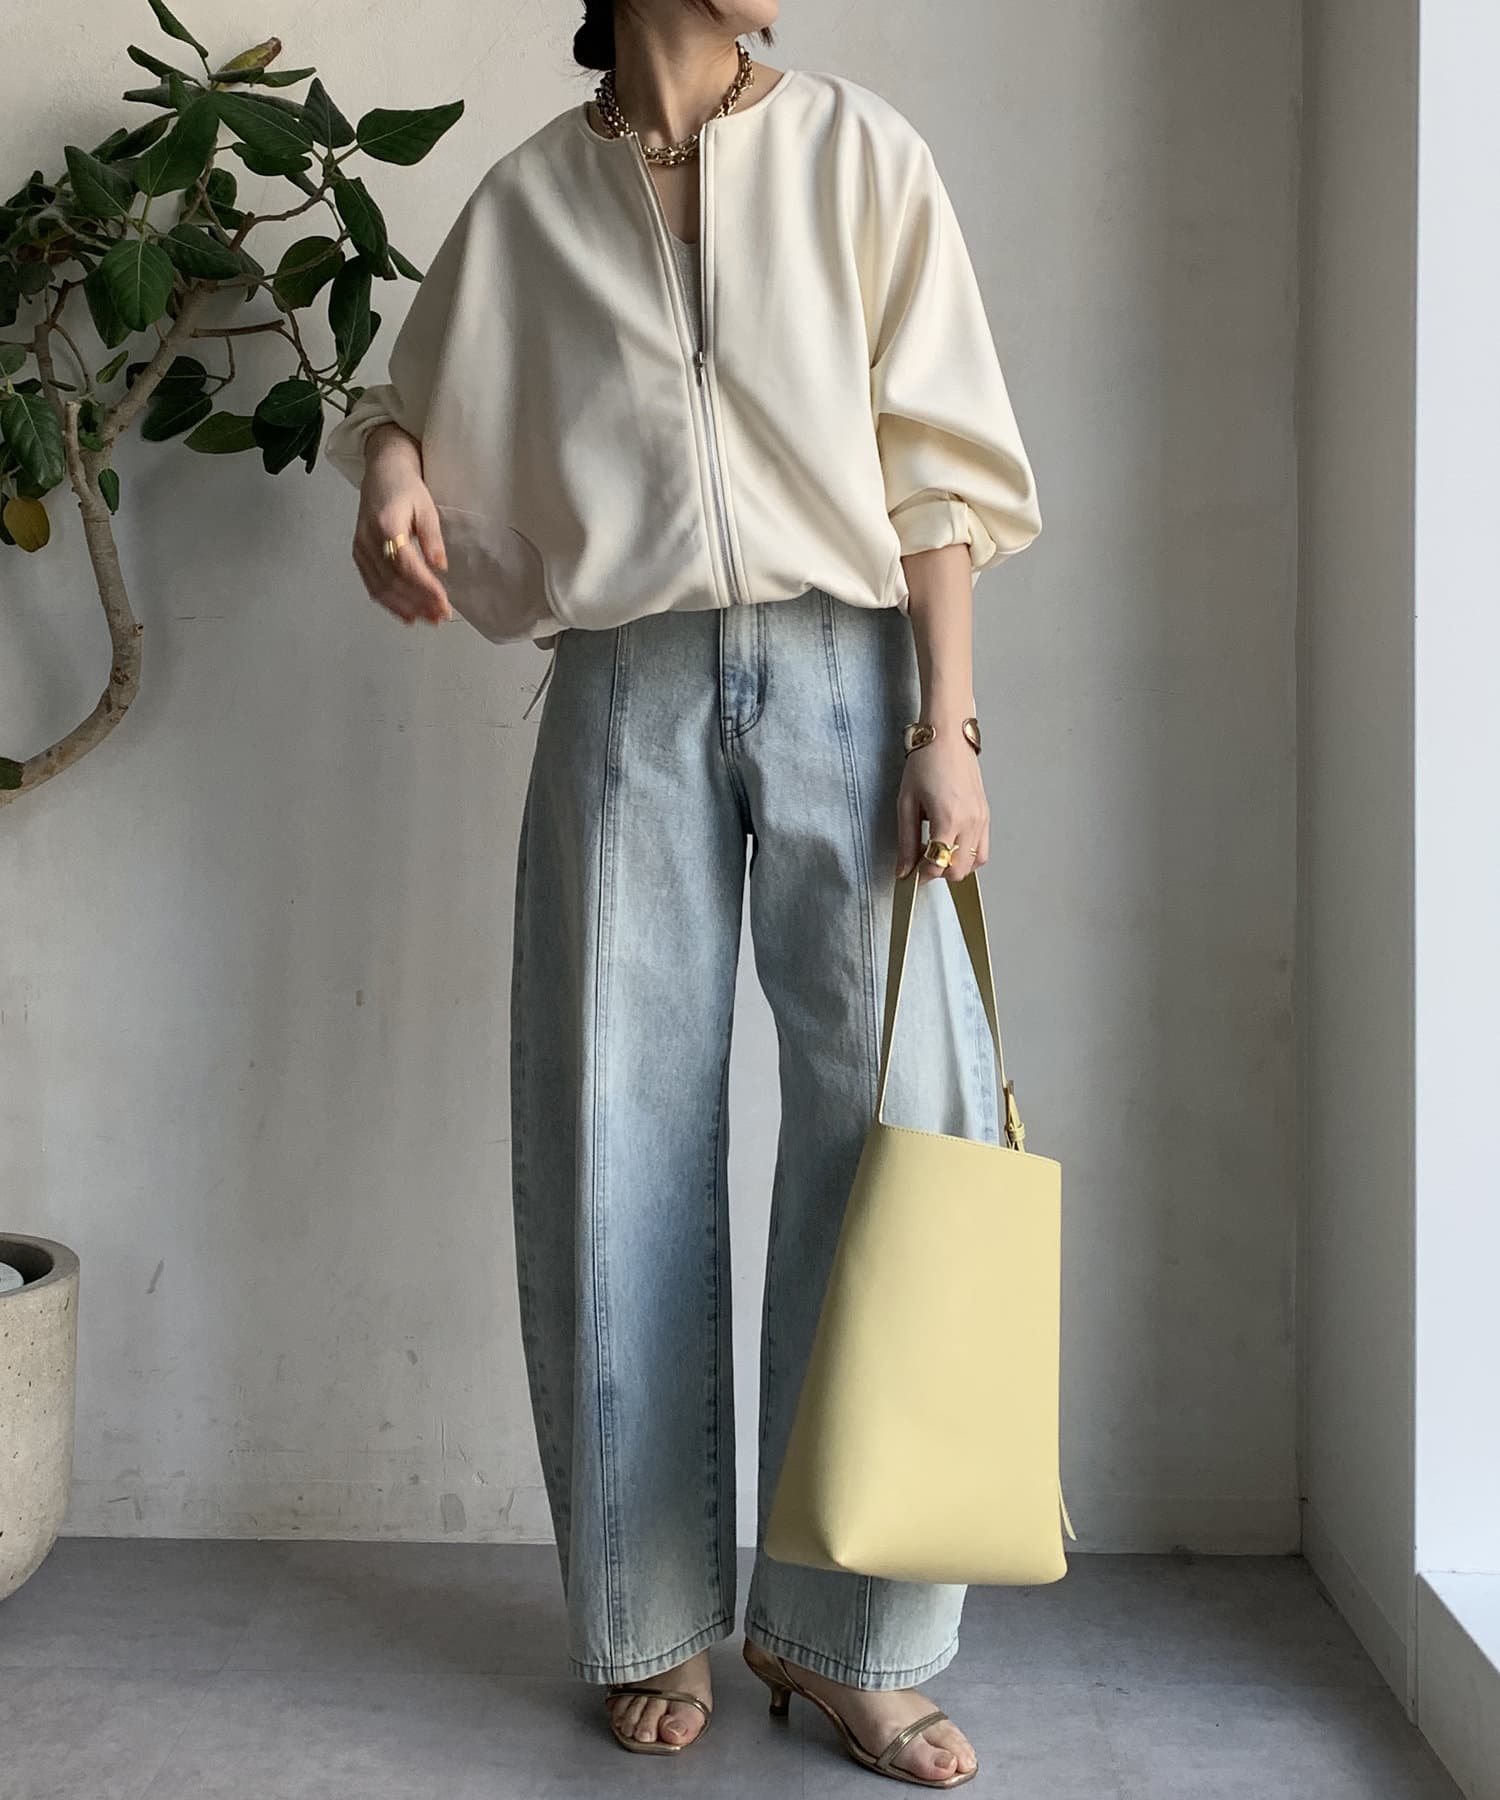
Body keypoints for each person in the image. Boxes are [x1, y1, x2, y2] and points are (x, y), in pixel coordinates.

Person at [325, 1, 1042, 1786]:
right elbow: (406, 408)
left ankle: (848, 1636)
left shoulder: (860, 154)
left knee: (893, 1126)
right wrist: (393, 477)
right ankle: (647, 1614)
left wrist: (948, 729)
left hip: (851, 678)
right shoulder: (527, 200)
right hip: (624, 686)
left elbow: (935, 467)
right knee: (614, 1135)